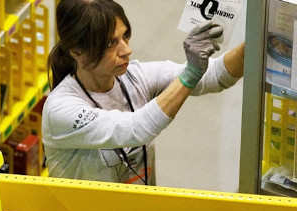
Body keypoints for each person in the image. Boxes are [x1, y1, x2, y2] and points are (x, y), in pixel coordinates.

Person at [42, 0, 245, 185]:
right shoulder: (61, 109)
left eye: (125, 36)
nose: (126, 50)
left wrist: (259, 41)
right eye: (110, 43)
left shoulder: (135, 76)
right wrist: (191, 73)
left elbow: (215, 75)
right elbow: (136, 128)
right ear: (77, 51)